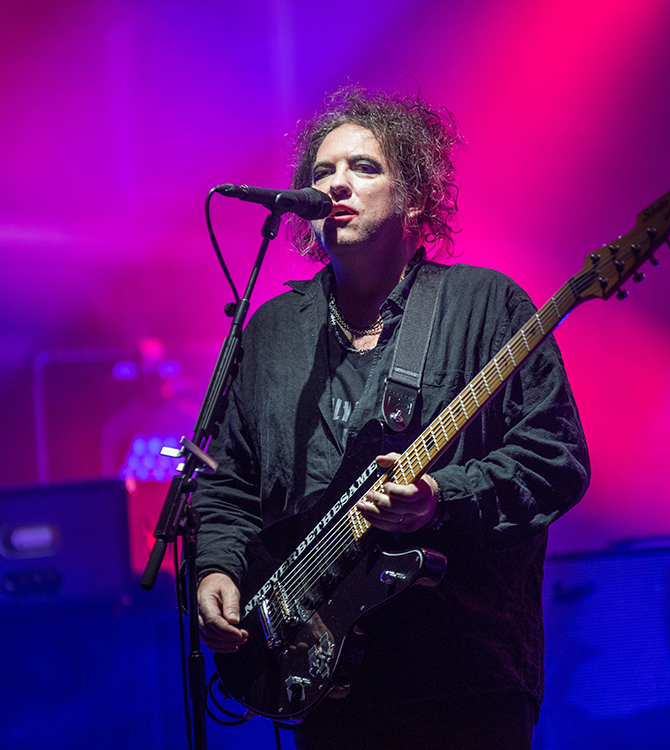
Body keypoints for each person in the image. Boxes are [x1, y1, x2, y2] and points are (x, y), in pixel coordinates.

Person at [192, 87, 590, 750]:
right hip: (319, 679)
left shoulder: (486, 307)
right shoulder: (271, 334)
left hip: (462, 678)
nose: (337, 183)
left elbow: (556, 458)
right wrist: (217, 570)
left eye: (364, 167)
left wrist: (439, 498)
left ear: (417, 197)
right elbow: (230, 478)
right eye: (322, 172)